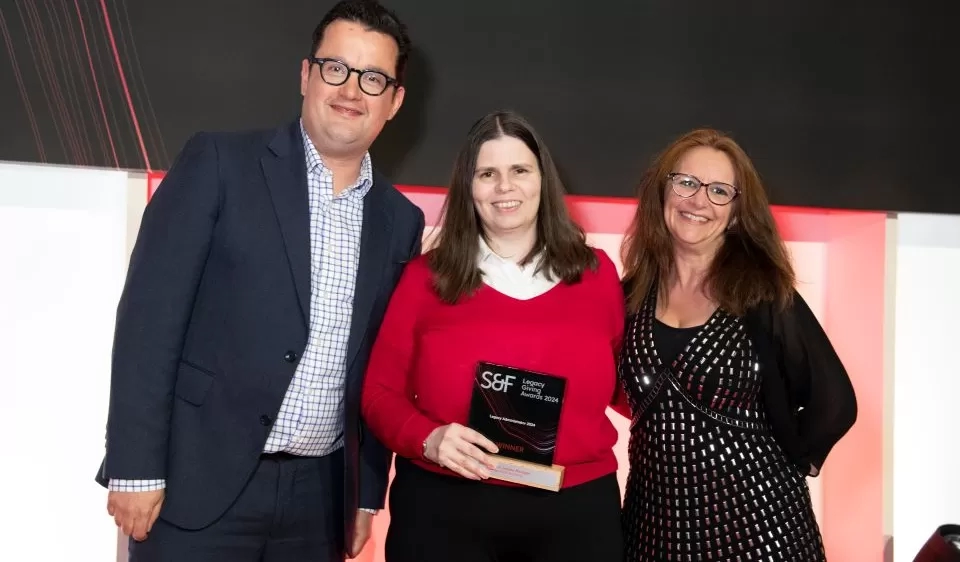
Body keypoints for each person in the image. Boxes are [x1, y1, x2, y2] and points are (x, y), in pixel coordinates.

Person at [95, 1, 424, 560]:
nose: (351, 90)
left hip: (319, 502)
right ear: (306, 75)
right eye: (335, 68)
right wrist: (134, 468)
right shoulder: (219, 163)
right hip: (196, 484)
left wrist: (366, 496)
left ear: (394, 101)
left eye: (373, 79)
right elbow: (149, 321)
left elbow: (380, 372)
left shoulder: (401, 221)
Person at [361, 110, 627, 562]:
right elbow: (378, 393)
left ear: (543, 180)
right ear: (469, 187)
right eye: (488, 173)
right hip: (444, 511)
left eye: (519, 170)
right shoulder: (426, 278)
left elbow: (630, 387)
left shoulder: (597, 276)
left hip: (576, 514)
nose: (505, 187)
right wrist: (427, 438)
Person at [617, 128, 858, 561]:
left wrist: (790, 459)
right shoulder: (629, 294)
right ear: (663, 191)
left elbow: (835, 401)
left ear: (736, 211)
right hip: (654, 528)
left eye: (719, 191)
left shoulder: (762, 294)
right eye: (686, 183)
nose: (699, 201)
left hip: (759, 525)